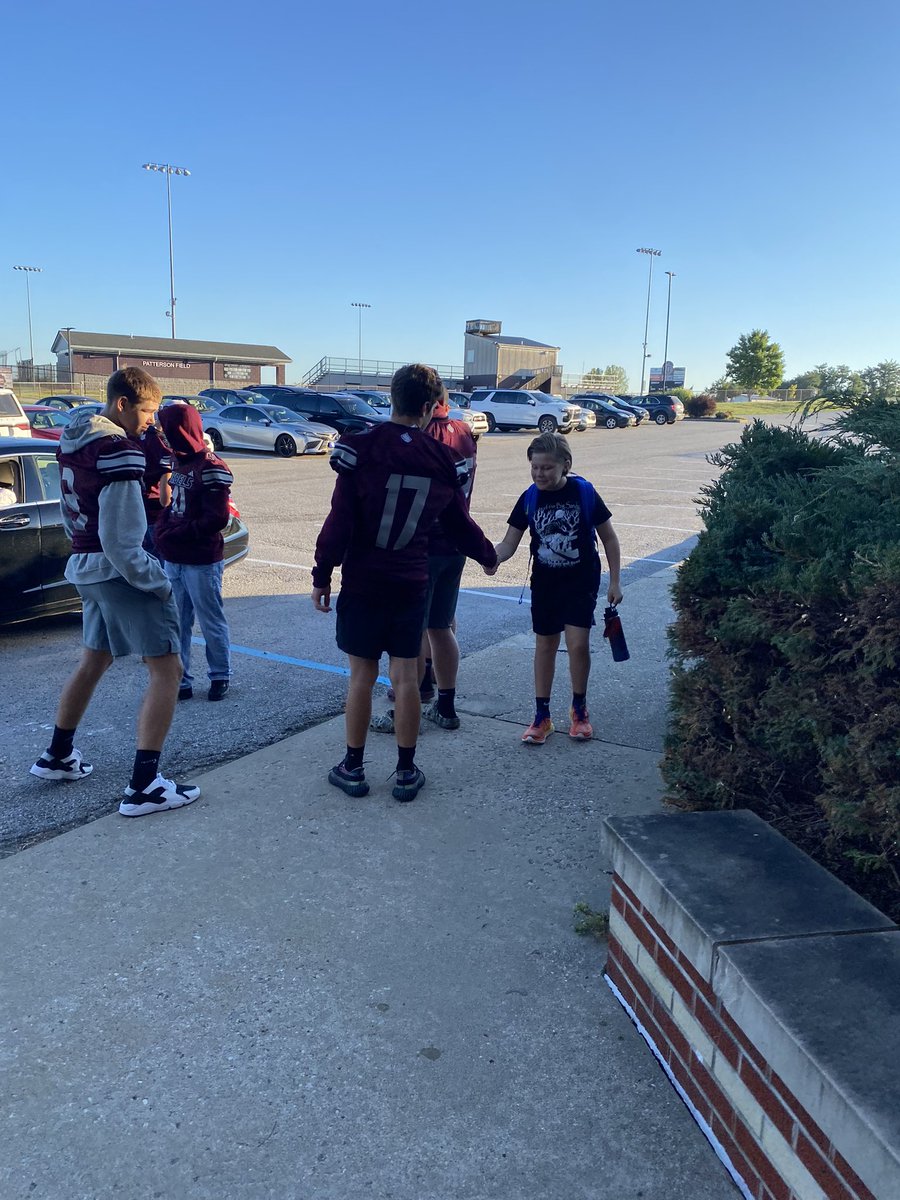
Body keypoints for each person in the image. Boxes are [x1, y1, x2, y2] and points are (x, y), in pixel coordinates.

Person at [312, 363, 498, 802]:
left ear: (391, 397)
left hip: (364, 580)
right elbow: (458, 524)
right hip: (411, 579)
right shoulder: (441, 459)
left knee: (361, 675)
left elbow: (339, 521)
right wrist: (487, 554)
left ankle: (353, 767)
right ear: (433, 405)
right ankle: (405, 770)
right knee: (407, 677)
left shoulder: (360, 447)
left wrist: (323, 573)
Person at [29, 367, 201, 816]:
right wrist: (158, 581)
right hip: (115, 570)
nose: (152, 422)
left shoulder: (76, 438)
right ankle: (144, 786)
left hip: (84, 564)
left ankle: (58, 754)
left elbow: (78, 517)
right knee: (168, 668)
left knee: (94, 659)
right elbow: (123, 542)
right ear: (122, 404)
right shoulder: (118, 450)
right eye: (146, 411)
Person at [493, 431, 623, 745]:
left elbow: (609, 538)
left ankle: (579, 710)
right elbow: (510, 542)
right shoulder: (529, 497)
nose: (540, 473)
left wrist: (615, 581)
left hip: (580, 580)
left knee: (577, 644)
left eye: (547, 468)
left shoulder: (584, 492)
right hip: (546, 582)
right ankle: (542, 716)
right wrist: (491, 558)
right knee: (546, 646)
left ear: (565, 465)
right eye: (535, 467)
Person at [371, 386, 478, 733]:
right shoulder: (464, 432)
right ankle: (444, 704)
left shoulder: (420, 437)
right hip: (456, 543)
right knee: (442, 626)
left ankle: (407, 707)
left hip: (424, 544)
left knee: (413, 632)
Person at [155, 403, 233, 702]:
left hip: (200, 559)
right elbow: (174, 505)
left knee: (210, 618)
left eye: (169, 429)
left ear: (182, 430)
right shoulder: (176, 459)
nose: (163, 435)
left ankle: (220, 674)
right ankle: (182, 678)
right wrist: (163, 527)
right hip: (175, 557)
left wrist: (177, 533)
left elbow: (217, 518)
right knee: (177, 621)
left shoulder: (212, 467)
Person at [141, 421, 174, 562]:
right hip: (156, 513)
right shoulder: (156, 440)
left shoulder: (130, 437)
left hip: (138, 511)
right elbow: (165, 500)